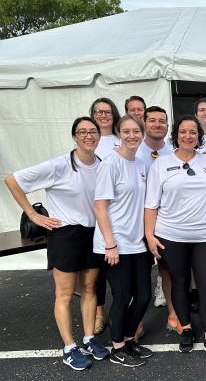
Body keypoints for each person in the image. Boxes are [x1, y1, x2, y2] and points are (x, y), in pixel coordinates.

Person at [5, 117, 109, 371]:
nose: (88, 136)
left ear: (99, 136)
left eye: (93, 131)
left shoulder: (102, 165)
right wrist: (33, 214)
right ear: (74, 136)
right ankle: (69, 347)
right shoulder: (59, 165)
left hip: (93, 233)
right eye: (82, 132)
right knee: (64, 294)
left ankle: (88, 338)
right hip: (65, 235)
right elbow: (12, 180)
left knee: (89, 289)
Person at [144, 115, 206, 362]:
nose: (188, 136)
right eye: (183, 132)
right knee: (179, 282)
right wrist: (149, 235)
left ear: (199, 135)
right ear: (175, 135)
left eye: (193, 132)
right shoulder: (161, 164)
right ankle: (186, 329)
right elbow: (151, 204)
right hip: (171, 234)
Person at [93, 114, 153, 367]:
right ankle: (117, 344)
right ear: (119, 133)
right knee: (123, 295)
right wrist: (110, 243)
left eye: (136, 131)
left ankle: (129, 339)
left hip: (137, 243)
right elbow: (99, 206)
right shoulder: (111, 163)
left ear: (142, 133)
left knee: (144, 296)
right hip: (114, 244)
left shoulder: (140, 164)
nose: (132, 135)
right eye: (126, 131)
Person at [135, 106, 179, 334]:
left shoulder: (173, 151)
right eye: (152, 120)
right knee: (138, 276)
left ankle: (173, 313)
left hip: (165, 223)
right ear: (144, 123)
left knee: (167, 271)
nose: (157, 124)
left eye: (162, 121)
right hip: (135, 222)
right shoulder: (134, 150)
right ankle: (135, 320)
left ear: (168, 126)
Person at [90, 97, 122, 335]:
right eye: (99, 112)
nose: (103, 115)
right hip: (94, 212)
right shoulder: (91, 140)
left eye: (108, 111)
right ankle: (99, 313)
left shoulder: (122, 140)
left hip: (118, 216)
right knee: (97, 272)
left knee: (120, 274)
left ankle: (122, 314)